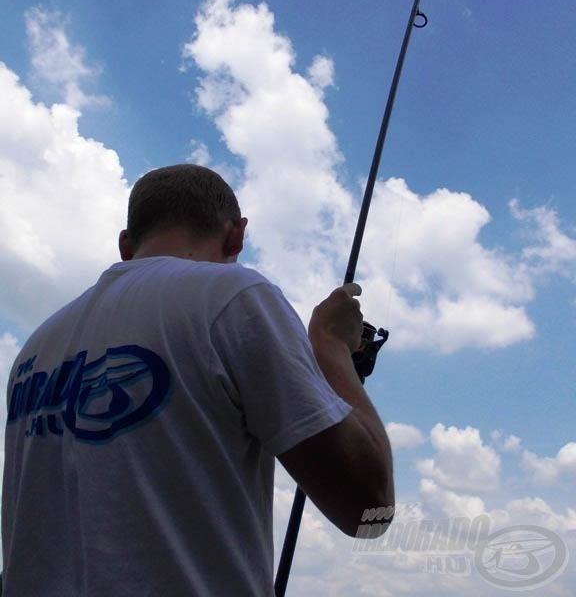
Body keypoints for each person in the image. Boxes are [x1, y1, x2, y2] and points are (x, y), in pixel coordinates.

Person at [2, 164, 394, 596]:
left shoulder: (36, 350)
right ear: (236, 236)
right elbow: (368, 509)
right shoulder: (233, 298)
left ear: (125, 245)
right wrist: (331, 347)